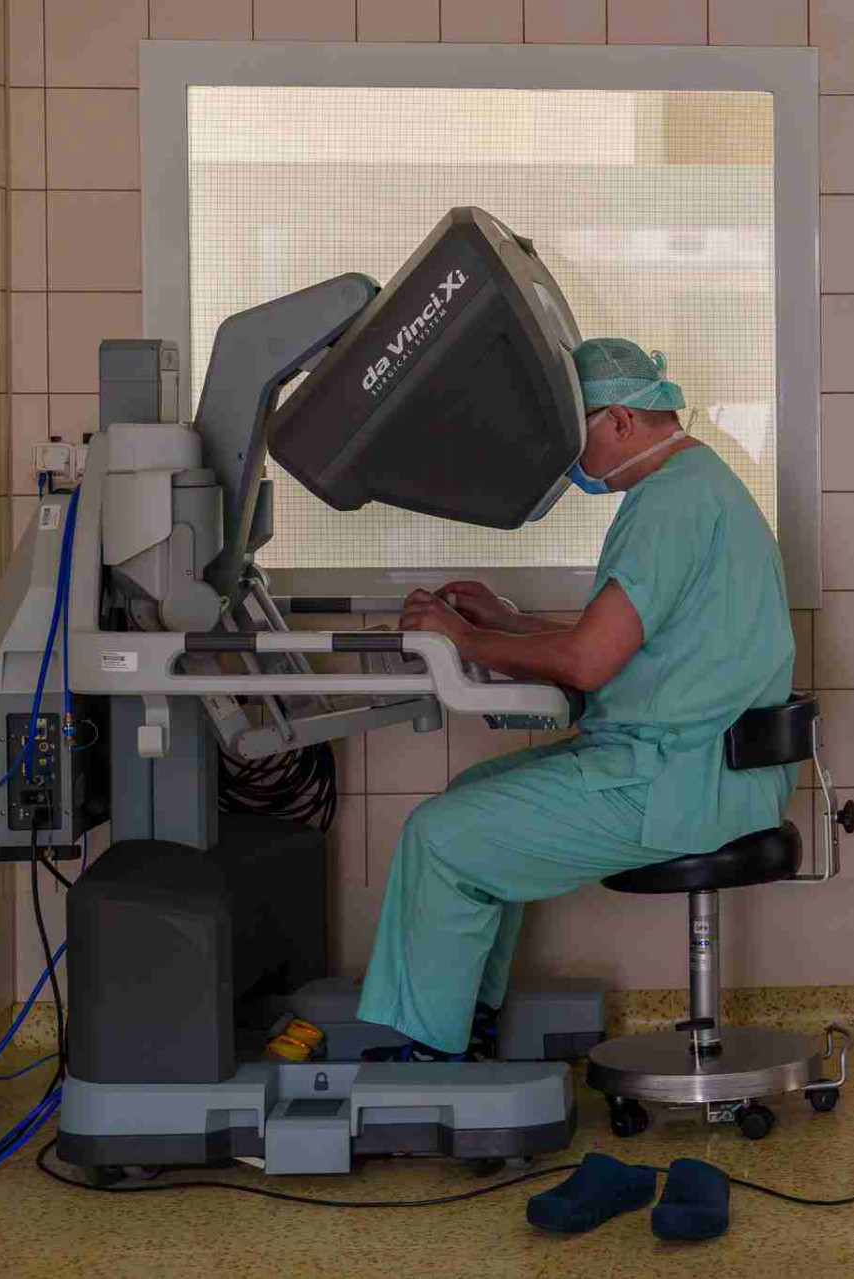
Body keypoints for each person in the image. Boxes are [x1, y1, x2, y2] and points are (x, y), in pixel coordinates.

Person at [355, 338, 796, 1060]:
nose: (566, 461)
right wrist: (506, 624)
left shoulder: (670, 501)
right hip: (702, 767)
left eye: (572, 436)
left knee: (440, 837)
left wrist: (461, 638)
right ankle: (468, 1024)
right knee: (468, 799)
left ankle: (432, 1057)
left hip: (678, 783)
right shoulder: (698, 484)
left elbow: (590, 662)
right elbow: (628, 640)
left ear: (620, 420)